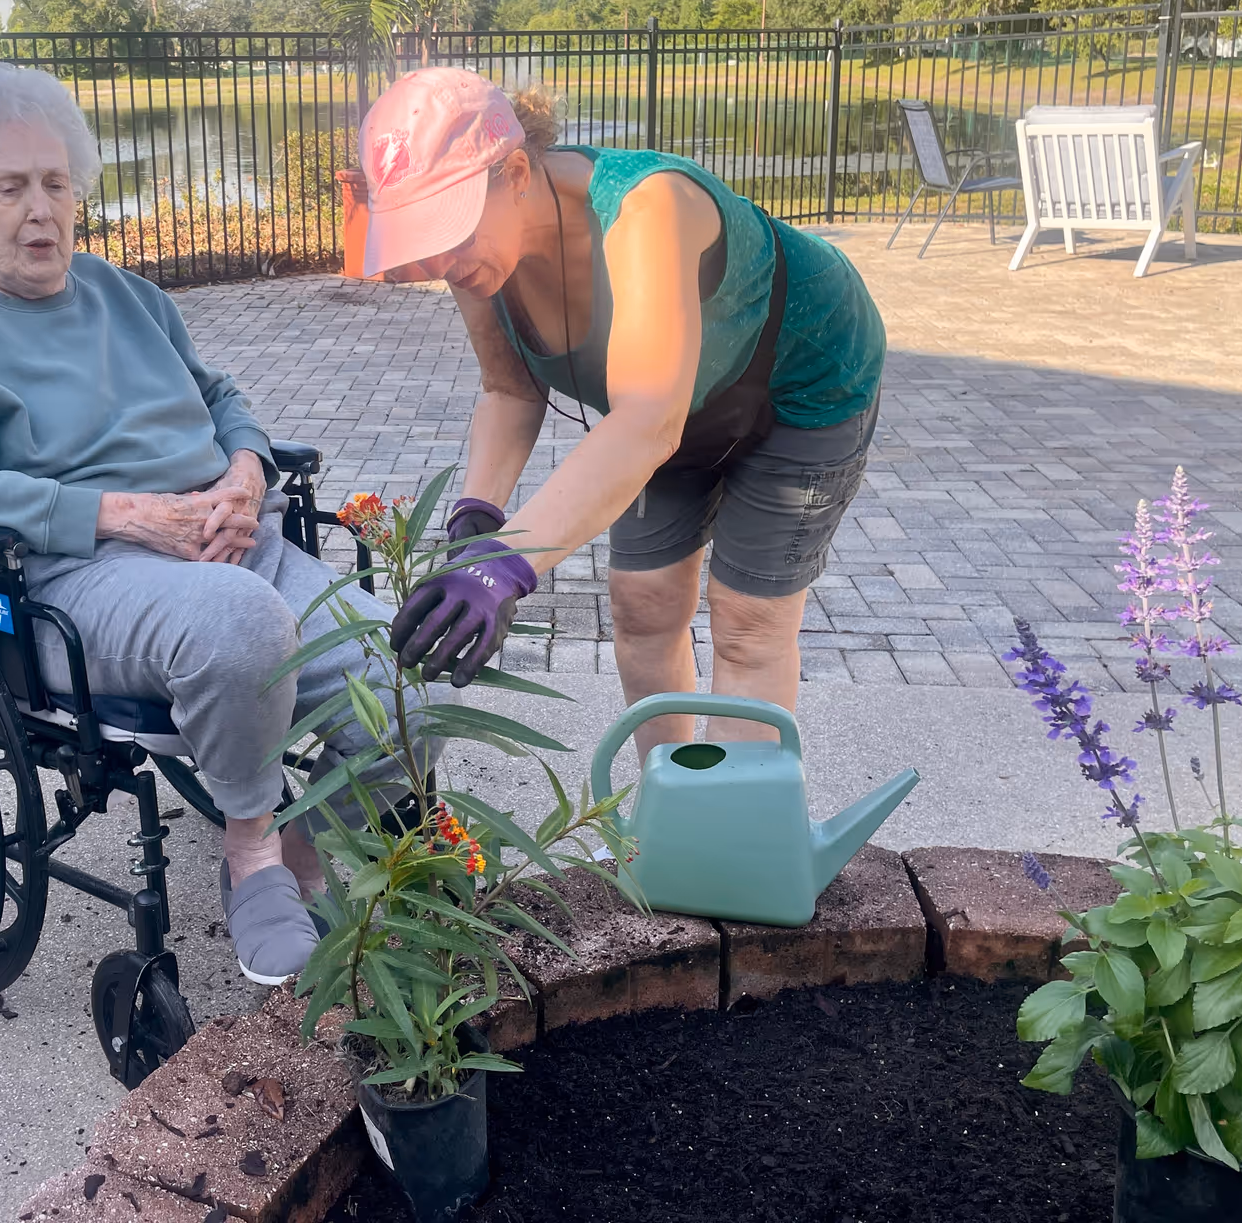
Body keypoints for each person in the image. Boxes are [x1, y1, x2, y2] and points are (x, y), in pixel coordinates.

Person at [0, 63, 406, 986]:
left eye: (55, 183)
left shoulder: (129, 295)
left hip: (239, 536)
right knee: (239, 628)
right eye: (9, 188)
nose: (41, 210)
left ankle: (316, 846)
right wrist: (119, 513)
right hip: (80, 575)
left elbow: (221, 396)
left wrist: (245, 472)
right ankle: (252, 849)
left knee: (391, 673)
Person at [359, 68, 885, 756]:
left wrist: (506, 564)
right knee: (643, 605)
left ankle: (736, 840)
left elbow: (646, 420)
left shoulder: (648, 207)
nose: (441, 258)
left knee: (748, 620)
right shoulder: (480, 261)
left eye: (450, 229)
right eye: (423, 235)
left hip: (802, 383)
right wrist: (475, 523)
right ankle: (668, 819)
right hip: (665, 409)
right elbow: (510, 391)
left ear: (516, 172)